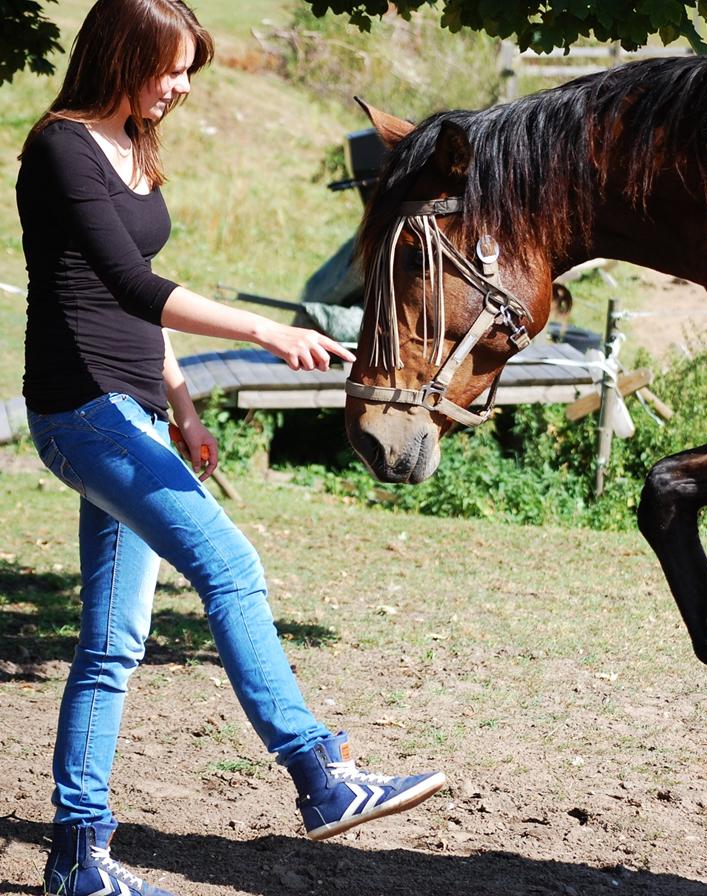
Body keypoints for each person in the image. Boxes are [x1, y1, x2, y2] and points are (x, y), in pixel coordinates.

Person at [16, 2, 447, 894]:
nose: (179, 87)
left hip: (131, 408)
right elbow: (136, 285)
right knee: (232, 567)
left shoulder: (133, 147)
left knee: (110, 644)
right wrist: (259, 331)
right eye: (170, 69)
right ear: (122, 54)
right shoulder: (61, 149)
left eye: (188, 72)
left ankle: (76, 859)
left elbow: (135, 306)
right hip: (84, 411)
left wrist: (180, 403)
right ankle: (320, 775)